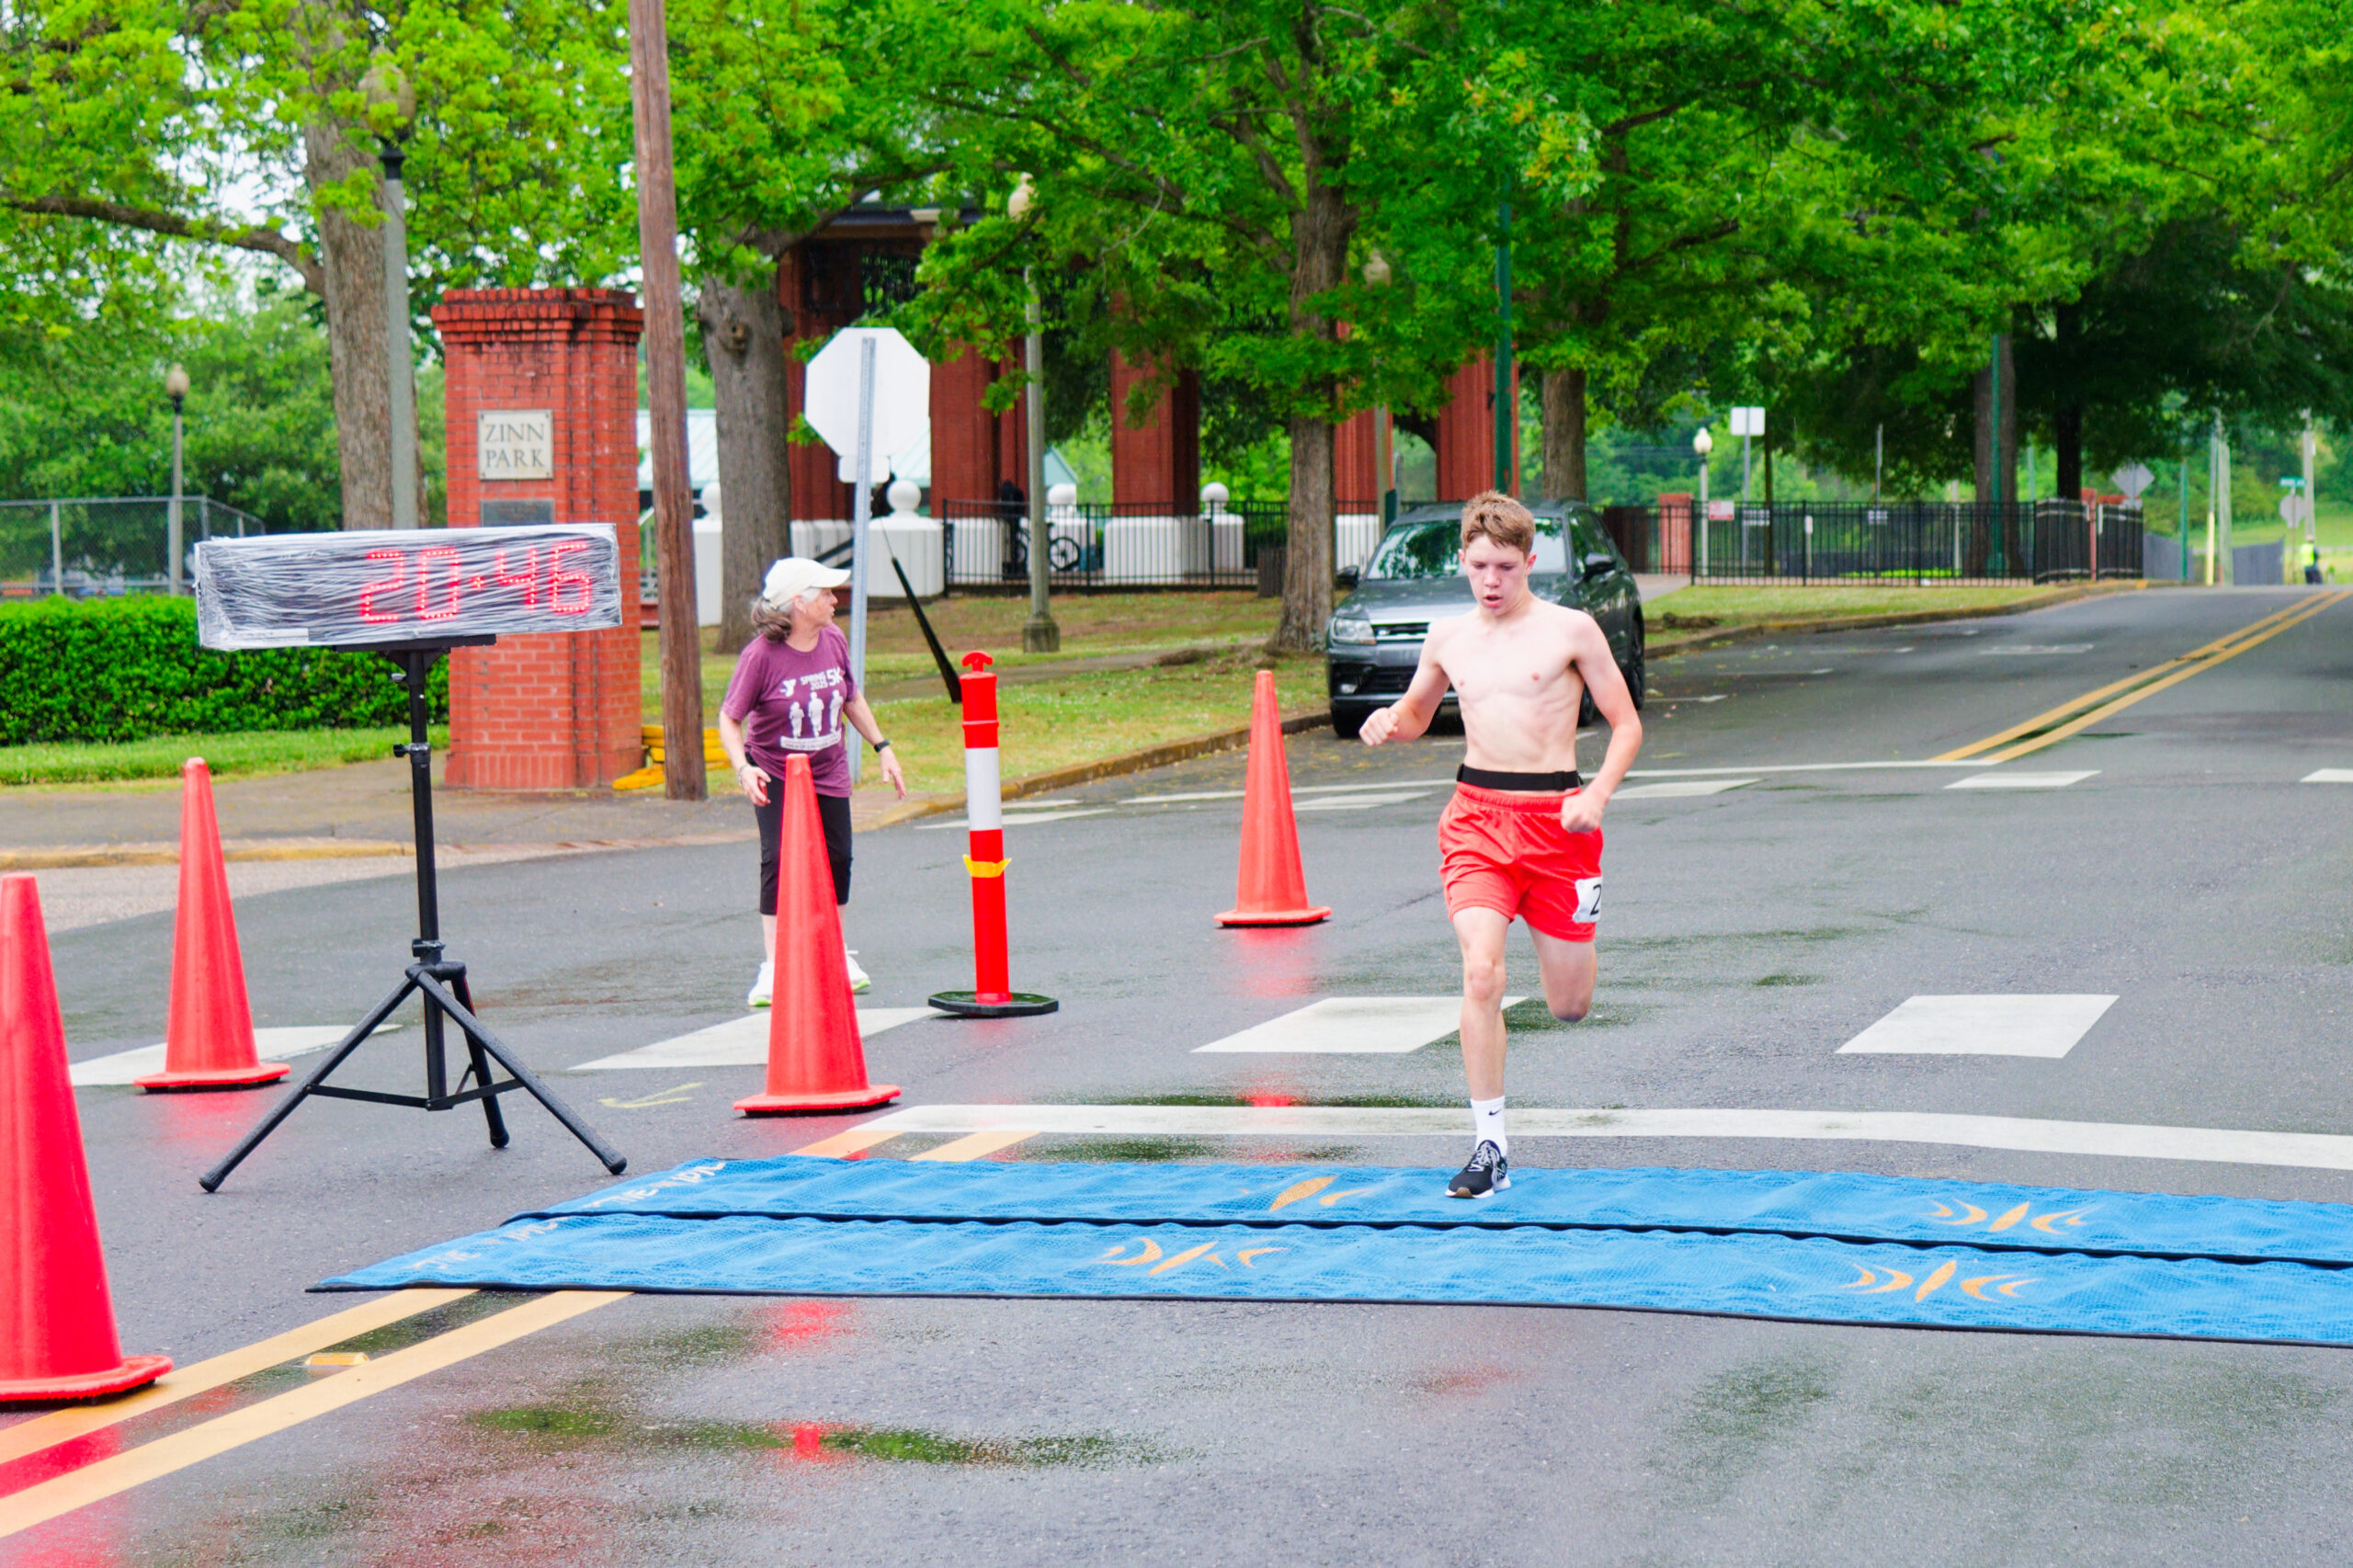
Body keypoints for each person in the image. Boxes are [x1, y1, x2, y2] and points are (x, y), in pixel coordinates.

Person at [1359, 491, 1643, 1198]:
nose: (1491, 580)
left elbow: (1627, 725)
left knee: (1569, 1004)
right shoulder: (1448, 637)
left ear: (1530, 563)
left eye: (1506, 567)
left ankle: (1573, 944)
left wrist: (1597, 795)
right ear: (1463, 558)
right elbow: (1420, 714)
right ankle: (1490, 1147)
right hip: (1477, 820)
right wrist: (1389, 718)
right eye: (1480, 564)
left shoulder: (1572, 630)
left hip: (1560, 825)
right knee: (1481, 975)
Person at [718, 557, 907, 1007]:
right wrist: (744, 768)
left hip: (827, 768)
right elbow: (729, 718)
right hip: (777, 770)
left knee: (838, 857)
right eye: (825, 593)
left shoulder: (834, 640)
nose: (834, 599)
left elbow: (851, 697)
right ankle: (773, 967)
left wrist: (883, 748)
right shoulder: (760, 656)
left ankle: (835, 954)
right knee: (780, 860)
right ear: (798, 603)